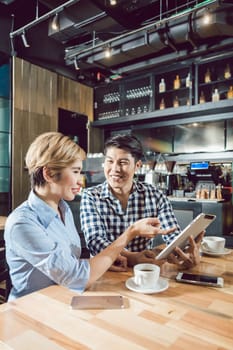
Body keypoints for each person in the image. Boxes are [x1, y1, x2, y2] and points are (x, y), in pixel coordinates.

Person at [4, 132, 165, 300]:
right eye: (75, 171)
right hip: (31, 312)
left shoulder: (63, 209)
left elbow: (68, 262)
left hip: (63, 300)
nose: (80, 181)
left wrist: (104, 263)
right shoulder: (22, 224)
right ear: (49, 174)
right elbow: (76, 277)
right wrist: (130, 232)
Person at [80, 133, 204, 271]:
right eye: (110, 161)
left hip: (145, 271)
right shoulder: (91, 196)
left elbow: (172, 233)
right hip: (103, 272)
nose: (114, 169)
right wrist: (132, 257)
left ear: (137, 165)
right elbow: (95, 242)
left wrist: (184, 251)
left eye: (123, 162)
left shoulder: (155, 196)